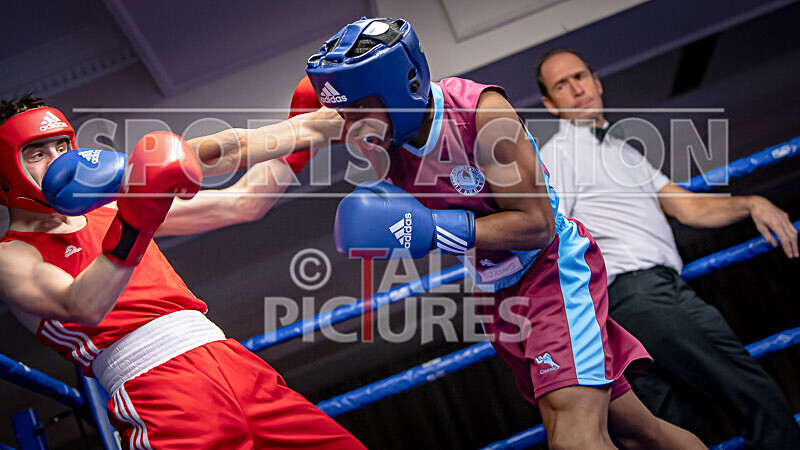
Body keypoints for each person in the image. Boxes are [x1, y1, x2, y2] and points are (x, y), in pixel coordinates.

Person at [303, 17, 705, 449]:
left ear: (404, 88)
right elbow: (286, 135)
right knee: (639, 433)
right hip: (497, 294)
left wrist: (434, 229)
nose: (351, 126)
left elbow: (537, 224)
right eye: (344, 113)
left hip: (552, 272)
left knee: (573, 438)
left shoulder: (480, 114)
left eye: (359, 109)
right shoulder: (376, 131)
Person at [0, 86, 365, 449]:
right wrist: (139, 213)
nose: (58, 161)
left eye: (62, 146)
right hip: (158, 391)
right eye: (37, 154)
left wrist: (307, 129)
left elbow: (243, 201)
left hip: (233, 362)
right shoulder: (12, 255)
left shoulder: (111, 208)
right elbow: (81, 304)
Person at [536, 48, 800, 449]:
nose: (576, 89)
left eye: (580, 76)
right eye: (561, 85)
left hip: (640, 303)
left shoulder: (623, 150)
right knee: (752, 394)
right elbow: (547, 233)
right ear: (549, 104)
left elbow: (685, 206)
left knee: (676, 425)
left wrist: (751, 203)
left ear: (596, 81)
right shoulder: (558, 153)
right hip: (639, 295)